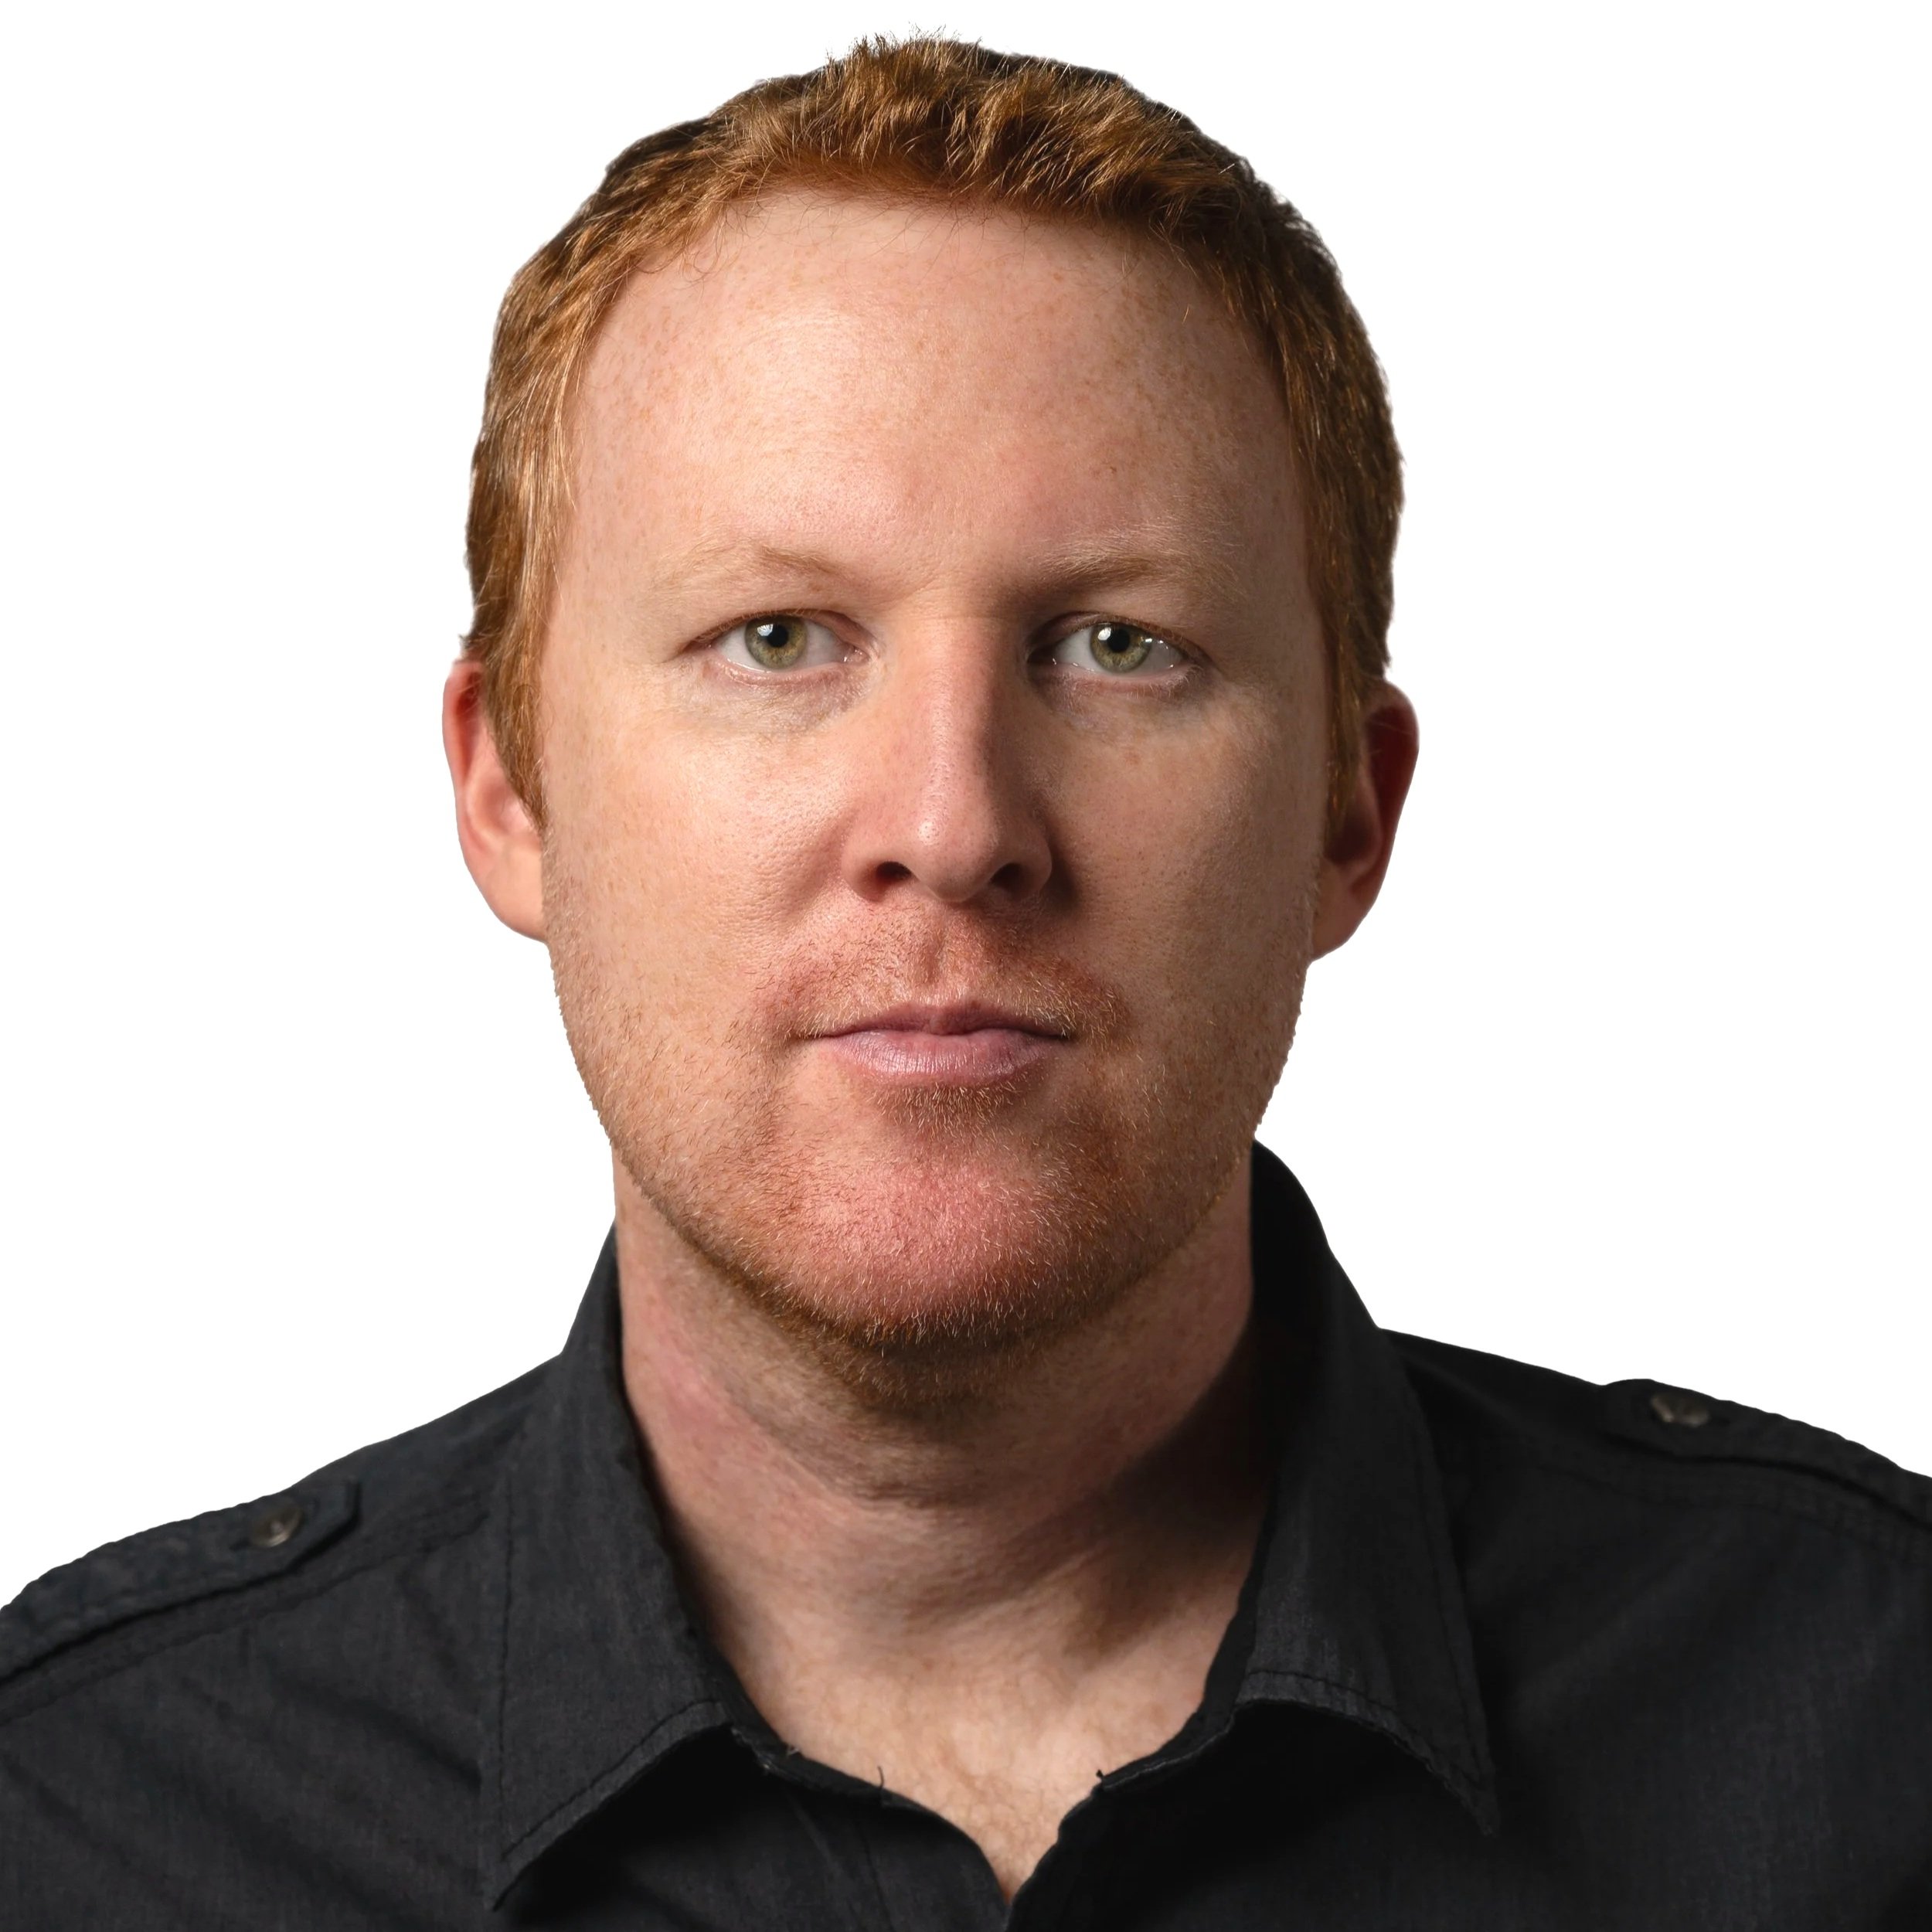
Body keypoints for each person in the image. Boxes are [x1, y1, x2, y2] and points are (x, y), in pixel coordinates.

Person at [2, 35, 1927, 1929]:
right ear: (509, 786)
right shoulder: (78, 1818)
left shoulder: (1871, 1718)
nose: (951, 819)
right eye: (776, 636)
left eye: (1116, 644)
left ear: (1348, 812)